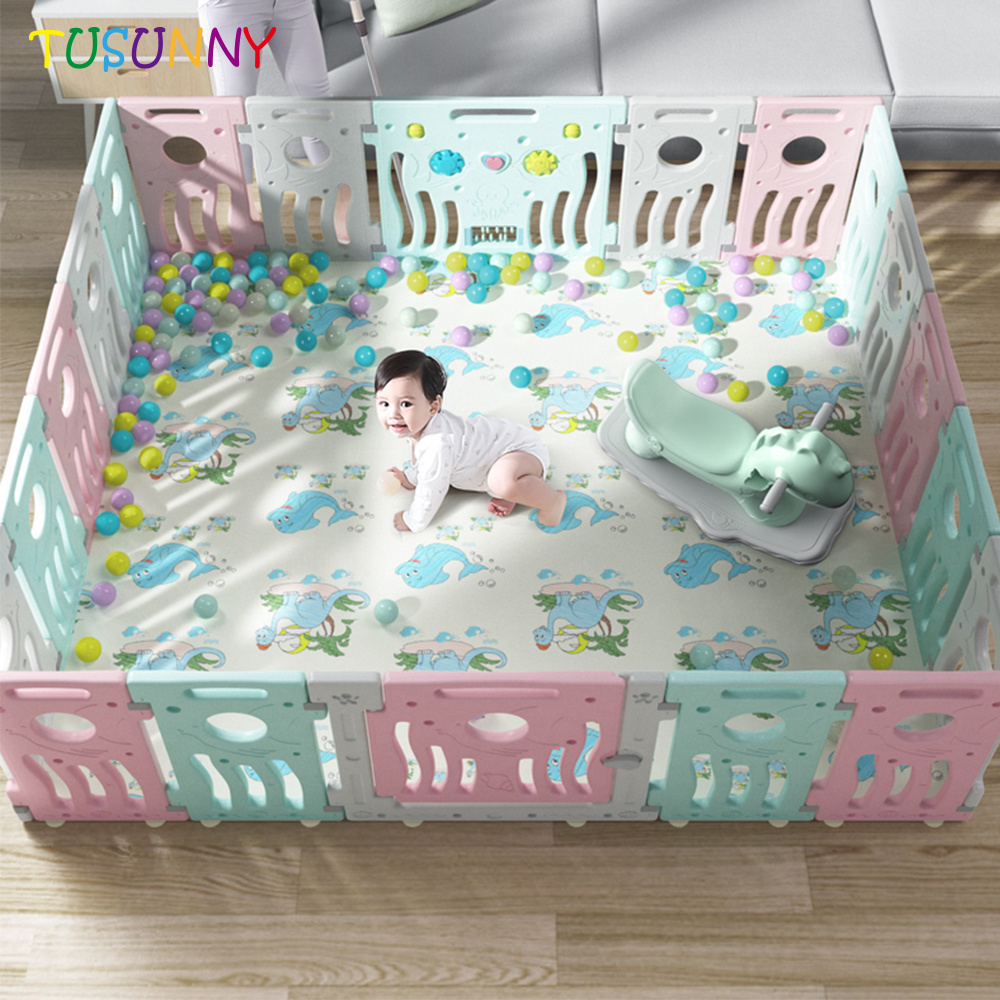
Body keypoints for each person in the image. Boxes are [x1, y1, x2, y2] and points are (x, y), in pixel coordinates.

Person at [374, 350, 567, 533]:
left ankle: (553, 502)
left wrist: (412, 520)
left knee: (502, 482)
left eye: (405, 404)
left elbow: (431, 489)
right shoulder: (421, 426)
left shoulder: (437, 444)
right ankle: (512, 493)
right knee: (500, 480)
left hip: (521, 450)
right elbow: (426, 465)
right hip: (499, 454)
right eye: (384, 403)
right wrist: (410, 477)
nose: (393, 414)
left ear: (433, 407)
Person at [197, 0, 333, 172]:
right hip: (233, 7)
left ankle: (339, 187)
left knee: (319, 110)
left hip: (292, 4)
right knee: (236, 118)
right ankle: (240, 190)